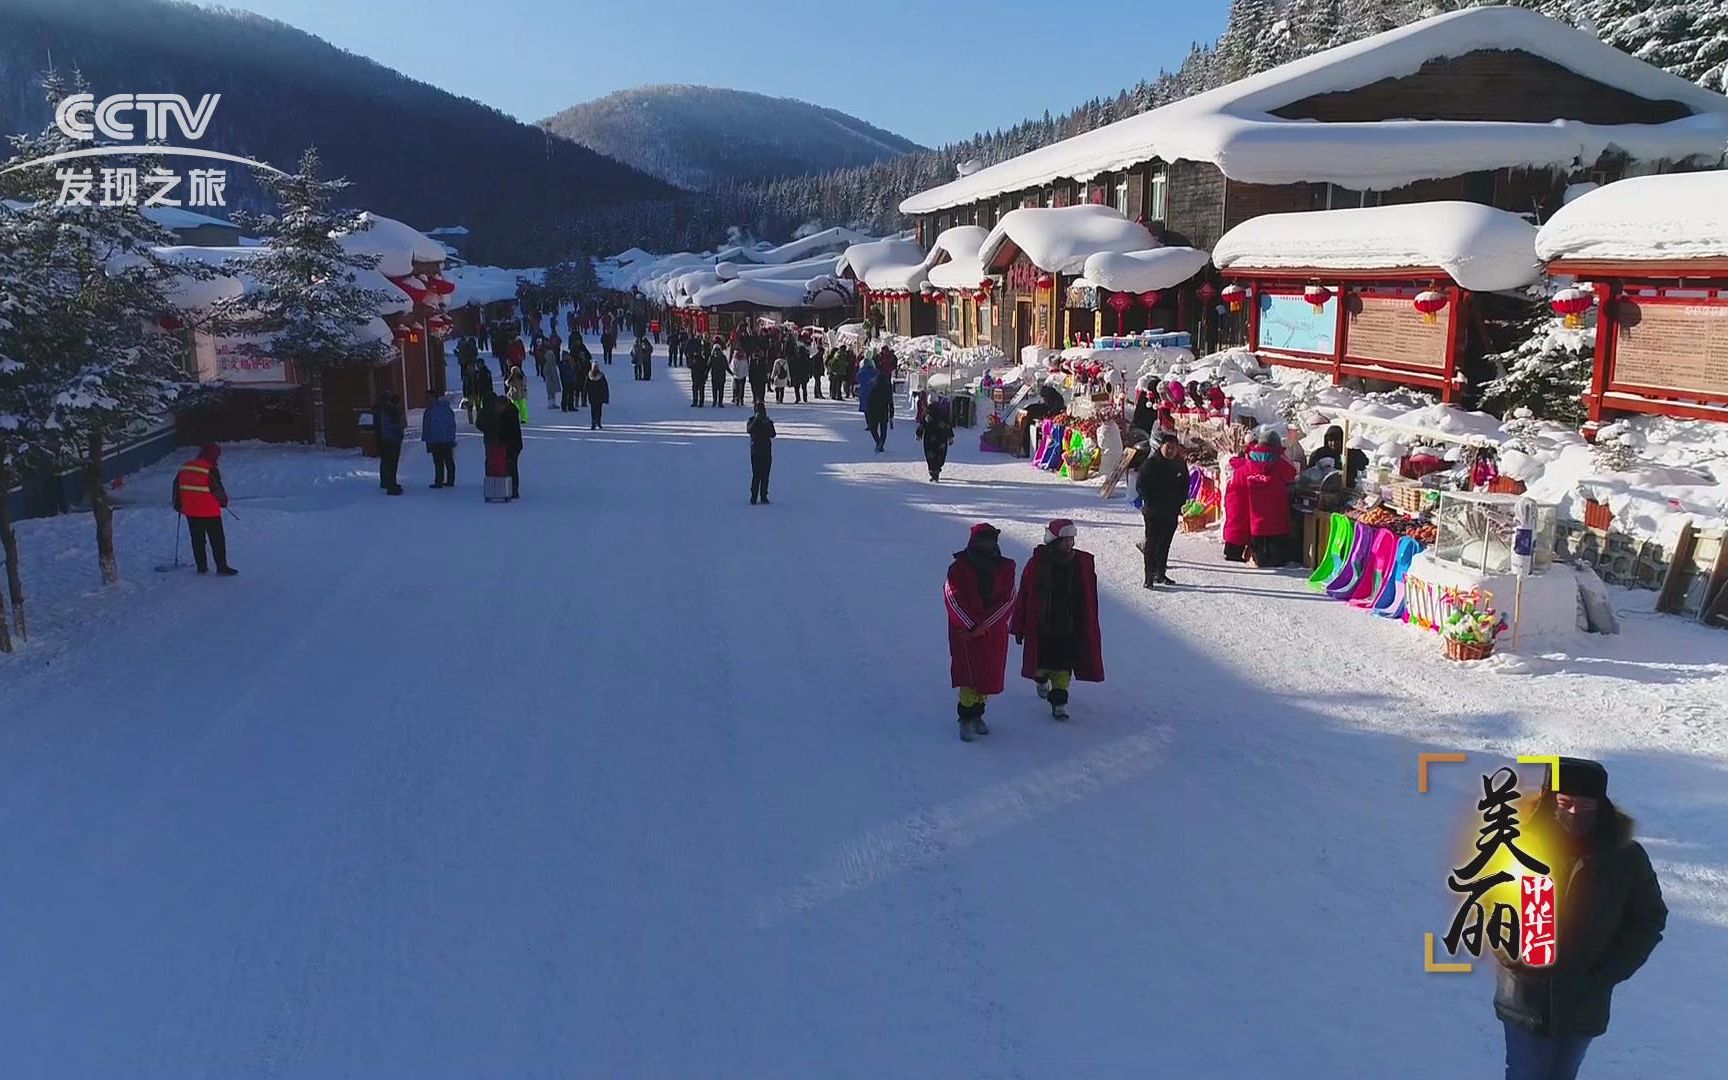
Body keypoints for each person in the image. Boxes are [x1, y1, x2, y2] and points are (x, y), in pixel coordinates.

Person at [1495, 757, 1666, 1080]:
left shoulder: (1625, 857)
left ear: (1602, 806)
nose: (1574, 812)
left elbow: (1649, 918)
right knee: (1525, 1073)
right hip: (1524, 991)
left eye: (1586, 806)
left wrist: (1609, 970)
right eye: (1565, 803)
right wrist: (1511, 951)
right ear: (1549, 800)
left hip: (1584, 994)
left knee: (1561, 1074)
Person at [1010, 519, 1103, 722]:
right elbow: (1024, 595)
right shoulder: (1037, 563)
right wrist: (1018, 626)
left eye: (1072, 539)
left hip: (1068, 627)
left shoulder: (1080, 563)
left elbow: (1087, 595)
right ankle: (1041, 680)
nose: (1070, 543)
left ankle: (1059, 702)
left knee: (1062, 667)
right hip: (1042, 627)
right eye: (1066, 539)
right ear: (1054, 541)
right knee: (1041, 666)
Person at [945, 523, 1017, 743]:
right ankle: (965, 717)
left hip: (991, 633)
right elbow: (952, 597)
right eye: (982, 541)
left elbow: (1008, 599)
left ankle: (978, 714)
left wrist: (984, 626)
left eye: (990, 541)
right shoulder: (959, 568)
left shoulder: (1005, 568)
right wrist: (970, 626)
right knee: (969, 676)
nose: (987, 546)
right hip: (965, 633)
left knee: (987, 675)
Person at [171, 442, 237, 575]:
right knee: (217, 539)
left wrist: (178, 504)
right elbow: (217, 489)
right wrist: (223, 502)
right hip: (209, 511)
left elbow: (176, 488)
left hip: (191, 511)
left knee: (197, 539)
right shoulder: (210, 469)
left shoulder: (185, 467)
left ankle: (201, 567)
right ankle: (222, 567)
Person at [1136, 431, 1189, 587]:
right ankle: (1148, 576)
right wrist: (1150, 500)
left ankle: (1161, 573)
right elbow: (1140, 485)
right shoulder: (1151, 463)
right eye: (1168, 447)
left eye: (1174, 448)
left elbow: (1185, 484)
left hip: (1171, 510)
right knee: (1152, 543)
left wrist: (1180, 502)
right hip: (1153, 511)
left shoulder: (1179, 463)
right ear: (1161, 446)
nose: (1171, 451)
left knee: (1165, 543)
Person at [1243, 431, 1298, 567]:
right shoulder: (1279, 460)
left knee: (1259, 538)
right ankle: (1275, 560)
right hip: (1276, 511)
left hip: (1256, 513)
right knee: (1276, 548)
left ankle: (1259, 558)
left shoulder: (1250, 459)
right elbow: (1291, 472)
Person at [1221, 440, 1253, 563]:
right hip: (1240, 500)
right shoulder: (1245, 468)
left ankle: (1230, 550)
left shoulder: (1237, 467)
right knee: (1238, 526)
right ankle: (1233, 553)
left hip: (1233, 498)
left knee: (1233, 524)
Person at [372, 389, 406, 496]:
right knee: (392, 462)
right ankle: (391, 485)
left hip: (382, 438)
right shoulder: (391, 410)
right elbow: (396, 425)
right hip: (391, 439)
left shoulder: (378, 409)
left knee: (386, 461)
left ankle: (386, 482)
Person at [422, 393, 457, 488]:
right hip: (447, 439)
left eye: (427, 398)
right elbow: (452, 424)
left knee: (438, 462)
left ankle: (439, 481)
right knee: (449, 460)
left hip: (435, 439)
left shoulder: (430, 411)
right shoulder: (447, 409)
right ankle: (450, 480)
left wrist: (426, 439)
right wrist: (452, 437)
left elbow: (426, 426)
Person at [916, 397, 954, 481]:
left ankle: (934, 471)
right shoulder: (942, 413)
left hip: (930, 439)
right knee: (939, 456)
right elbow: (948, 425)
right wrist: (950, 436)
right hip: (941, 438)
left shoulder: (927, 414)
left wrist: (919, 434)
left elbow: (922, 424)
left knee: (931, 456)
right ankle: (936, 471)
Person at [493, 393, 523, 499]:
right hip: (515, 444)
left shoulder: (507, 415)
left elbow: (506, 432)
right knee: (511, 467)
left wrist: (501, 442)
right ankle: (511, 489)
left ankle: (513, 490)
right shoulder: (511, 412)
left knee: (511, 467)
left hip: (511, 445)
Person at [746, 402, 775, 505]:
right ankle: (753, 496)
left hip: (766, 451)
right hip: (756, 452)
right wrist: (756, 420)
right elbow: (749, 430)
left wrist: (766, 423)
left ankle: (763, 495)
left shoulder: (768, 422)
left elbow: (773, 434)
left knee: (765, 475)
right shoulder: (751, 421)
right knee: (756, 475)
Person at [864, 365, 894, 452]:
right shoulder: (887, 388)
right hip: (884, 410)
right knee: (883, 429)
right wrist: (891, 412)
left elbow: (869, 400)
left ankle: (878, 441)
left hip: (874, 411)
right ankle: (881, 443)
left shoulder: (873, 388)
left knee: (873, 428)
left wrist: (868, 411)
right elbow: (890, 400)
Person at [586, 363, 610, 430]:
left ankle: (594, 422)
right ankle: (598, 422)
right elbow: (605, 387)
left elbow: (586, 386)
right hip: (599, 396)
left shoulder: (589, 375)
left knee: (593, 410)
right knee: (598, 410)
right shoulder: (601, 375)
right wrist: (606, 397)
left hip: (592, 396)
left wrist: (584, 395)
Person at [688, 338, 709, 407]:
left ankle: (696, 401)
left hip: (696, 375)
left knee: (696, 389)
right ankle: (700, 402)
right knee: (701, 389)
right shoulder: (702, 359)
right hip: (700, 375)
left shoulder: (694, 359)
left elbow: (691, 366)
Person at [543, 344, 563, 409]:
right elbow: (546, 372)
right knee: (550, 391)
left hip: (552, 379)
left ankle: (553, 403)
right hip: (550, 380)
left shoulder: (552, 364)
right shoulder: (548, 364)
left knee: (552, 392)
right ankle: (550, 404)